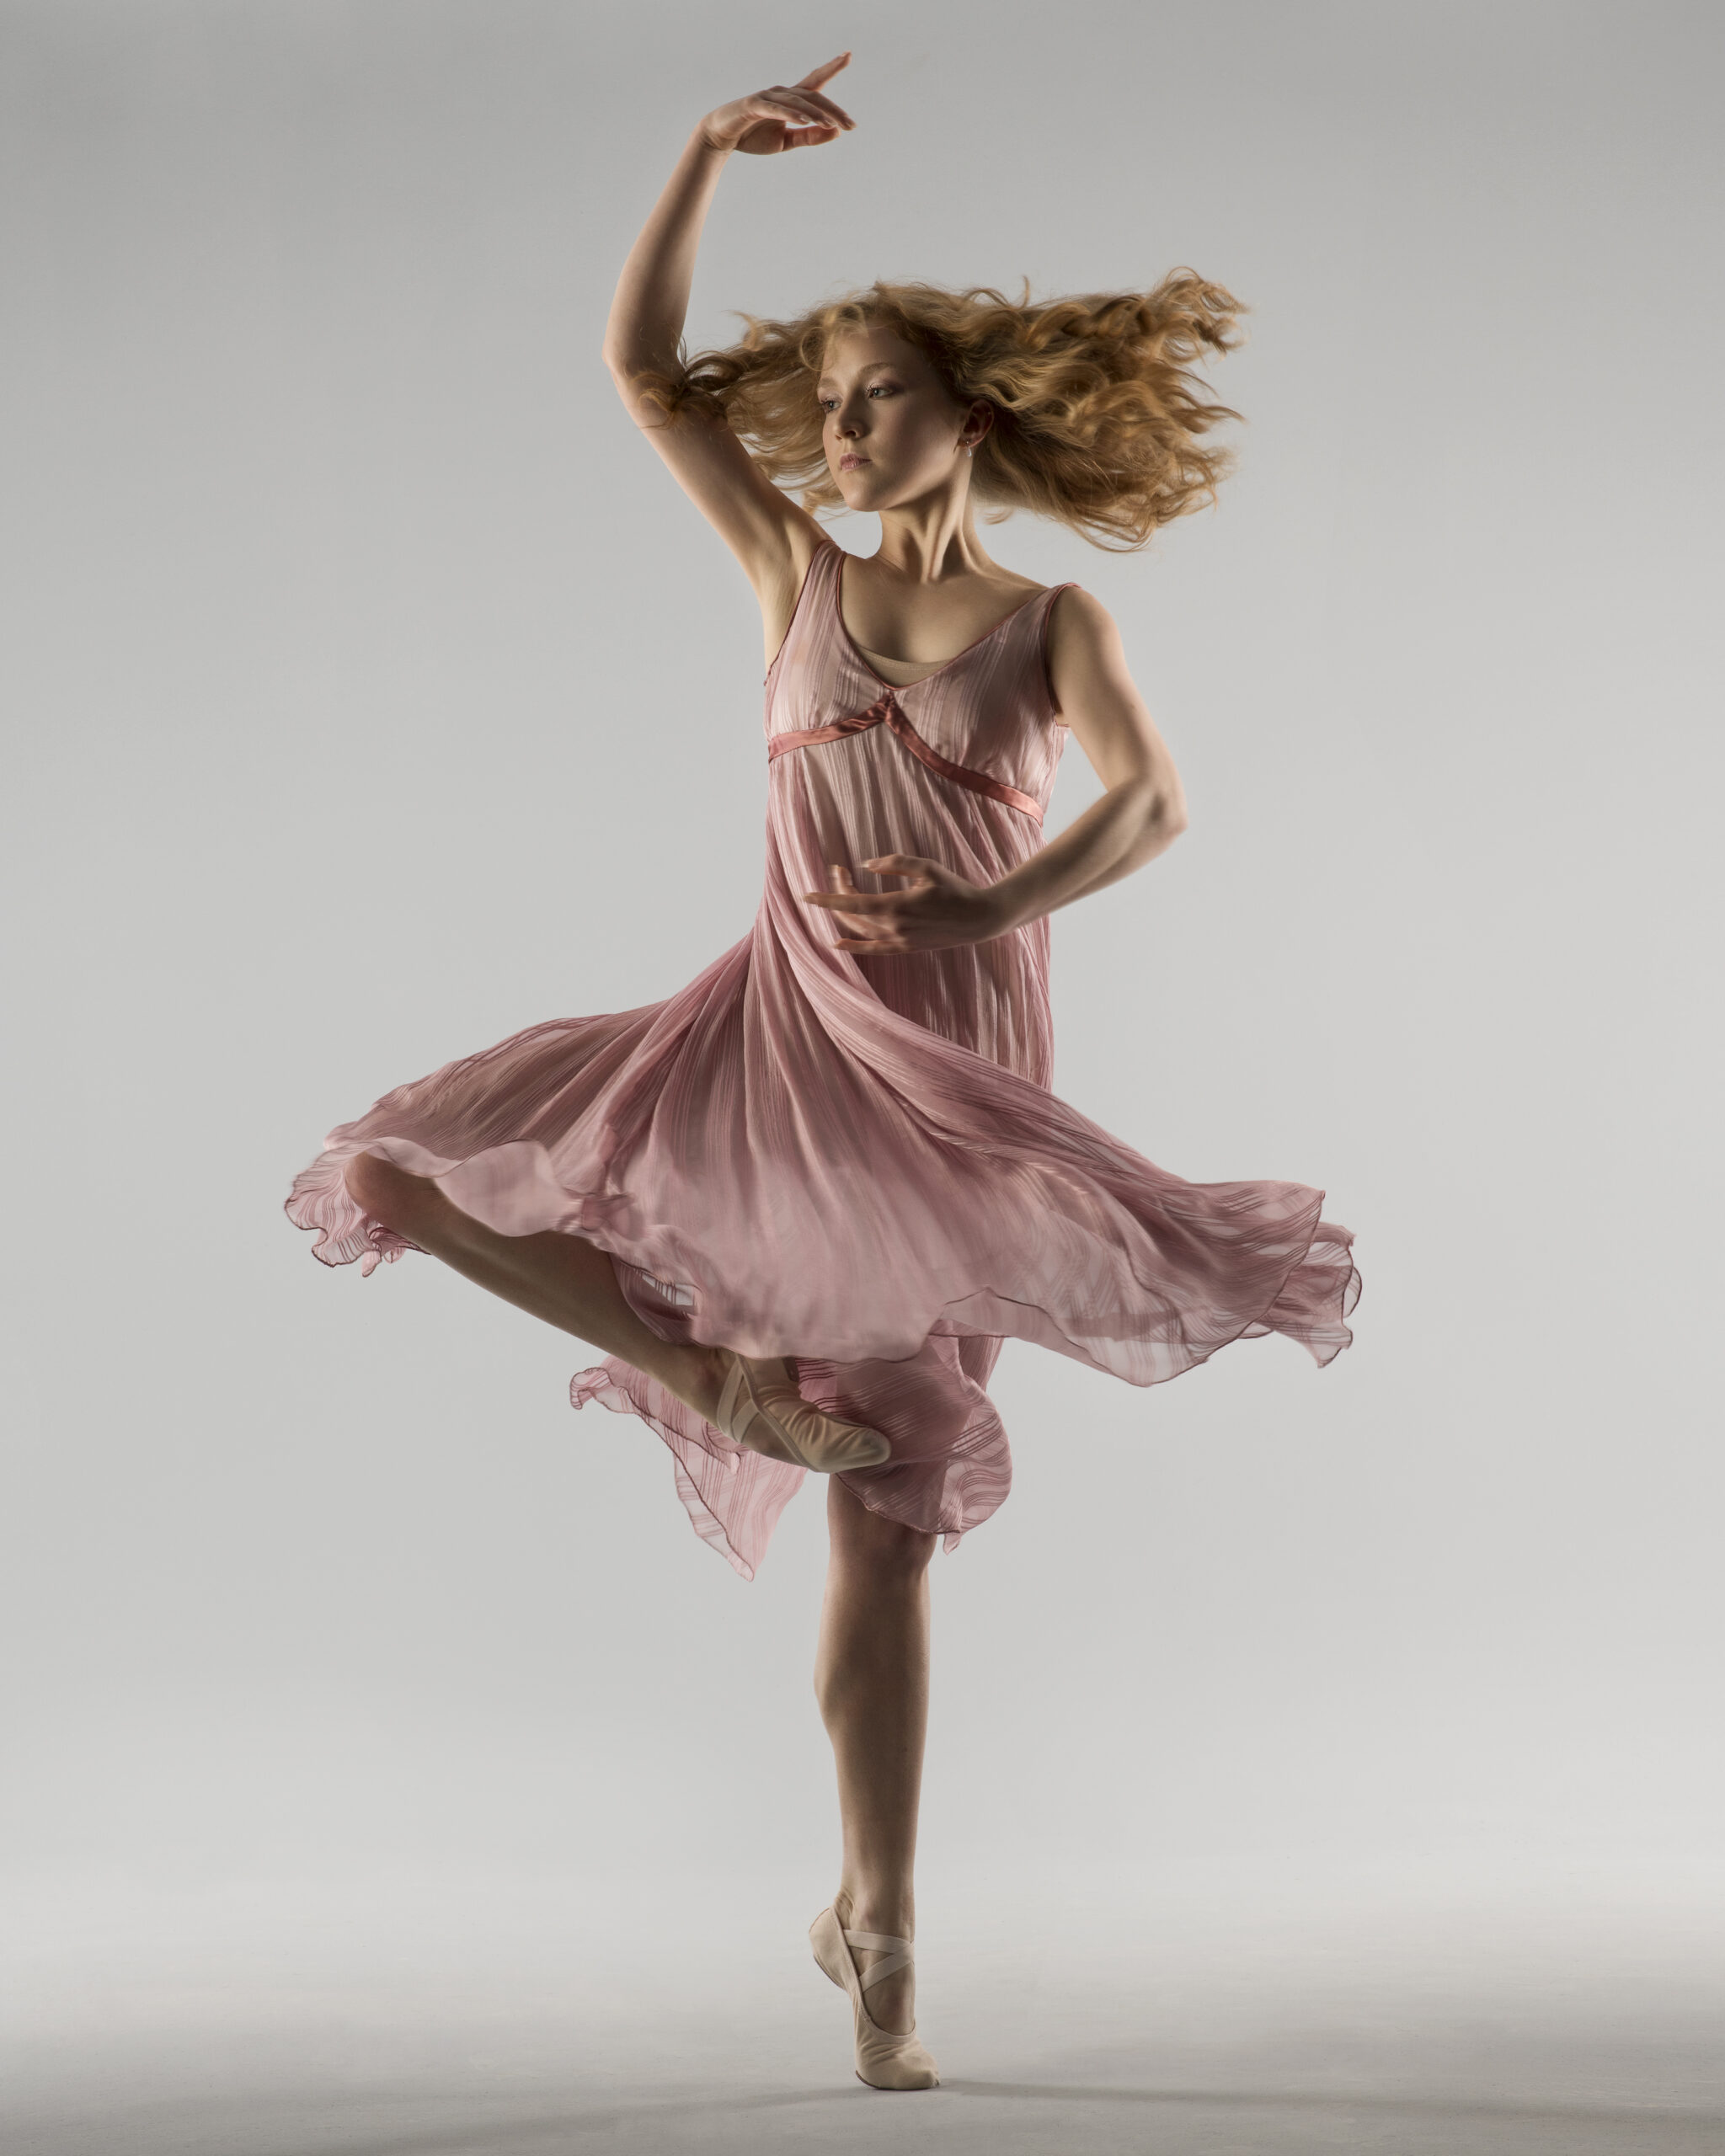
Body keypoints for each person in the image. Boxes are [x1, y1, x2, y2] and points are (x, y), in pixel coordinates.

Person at [284, 53, 1361, 2092]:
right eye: (837, 396)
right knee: (406, 1168)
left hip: (949, 1098)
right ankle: (705, 1376)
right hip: (772, 1043)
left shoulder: (1053, 622)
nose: (844, 421)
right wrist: (698, 154)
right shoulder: (797, 577)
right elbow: (642, 374)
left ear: (967, 413)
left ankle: (878, 1925)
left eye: (878, 392)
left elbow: (1153, 811)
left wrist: (978, 913)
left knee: (884, 1507)